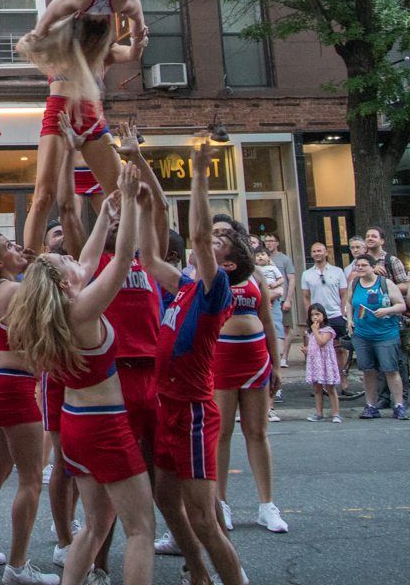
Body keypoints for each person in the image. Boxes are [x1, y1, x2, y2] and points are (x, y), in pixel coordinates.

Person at [11, 163, 153, 585]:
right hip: (104, 426)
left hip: (74, 427)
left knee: (93, 525)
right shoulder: (82, 309)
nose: (75, 258)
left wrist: (107, 216)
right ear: (64, 282)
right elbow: (123, 257)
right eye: (66, 259)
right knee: (141, 528)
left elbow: (90, 258)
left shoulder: (57, 311)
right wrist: (127, 202)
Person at [137, 143, 250, 585]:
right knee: (166, 501)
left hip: (193, 412)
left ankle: (234, 579)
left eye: (221, 240)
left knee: (204, 519)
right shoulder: (183, 284)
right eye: (214, 236)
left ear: (229, 261)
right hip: (167, 405)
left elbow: (199, 236)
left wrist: (199, 173)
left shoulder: (214, 287)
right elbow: (148, 258)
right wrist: (141, 184)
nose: (210, 239)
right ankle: (199, 573)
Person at [0, 233, 57, 584]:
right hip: (14, 385)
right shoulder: (13, 291)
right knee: (31, 478)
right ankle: (17, 567)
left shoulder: (5, 289)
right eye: (10, 248)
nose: (19, 249)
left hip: (0, 382)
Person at [18, 38, 142, 254]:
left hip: (91, 115)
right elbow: (23, 46)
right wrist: (34, 40)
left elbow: (132, 53)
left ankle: (132, 263)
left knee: (122, 198)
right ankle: (29, 269)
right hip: (61, 112)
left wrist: (139, 38)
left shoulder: (104, 49)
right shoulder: (59, 45)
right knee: (45, 197)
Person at [211, 222, 288, 535]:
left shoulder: (255, 273)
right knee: (222, 433)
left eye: (226, 233)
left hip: (255, 359)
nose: (220, 238)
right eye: (214, 234)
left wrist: (276, 364)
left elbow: (267, 319)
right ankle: (221, 502)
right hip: (220, 360)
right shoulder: (207, 272)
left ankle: (267, 505)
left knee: (258, 432)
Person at [345, 254, 408, 419]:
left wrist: (386, 310)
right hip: (362, 334)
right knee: (368, 371)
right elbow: (349, 303)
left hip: (385, 334)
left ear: (372, 267)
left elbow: (401, 305)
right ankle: (371, 405)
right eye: (357, 265)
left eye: (364, 265)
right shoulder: (355, 283)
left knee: (390, 369)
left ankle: (399, 405)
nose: (359, 268)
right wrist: (350, 320)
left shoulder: (385, 283)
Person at [364, 227, 410, 408]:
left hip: (392, 318)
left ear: (382, 241)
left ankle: (403, 396)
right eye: (367, 236)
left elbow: (406, 284)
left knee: (397, 359)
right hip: (369, 319)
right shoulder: (362, 261)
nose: (370, 239)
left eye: (374, 236)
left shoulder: (392, 261)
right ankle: (383, 397)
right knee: (376, 359)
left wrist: (386, 289)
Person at [301, 243, 349, 394]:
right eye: (314, 251)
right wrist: (309, 317)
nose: (317, 253)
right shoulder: (307, 274)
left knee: (339, 350)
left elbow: (344, 294)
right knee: (316, 349)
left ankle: (343, 383)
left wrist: (343, 313)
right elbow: (306, 297)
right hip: (317, 318)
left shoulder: (337, 271)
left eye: (319, 251)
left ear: (326, 252)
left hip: (335, 314)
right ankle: (320, 383)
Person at [261, 234, 299, 366]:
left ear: (277, 243)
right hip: (265, 300)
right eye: (266, 241)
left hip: (281, 298)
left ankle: (284, 357)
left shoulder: (284, 259)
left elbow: (291, 279)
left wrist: (288, 299)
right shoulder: (260, 259)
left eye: (271, 241)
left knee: (285, 327)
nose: (268, 243)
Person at [302, 304, 341, 422]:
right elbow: (312, 346)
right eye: (312, 315)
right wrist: (306, 350)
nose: (315, 317)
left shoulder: (328, 330)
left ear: (323, 315)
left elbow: (321, 342)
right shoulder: (309, 332)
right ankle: (319, 413)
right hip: (315, 362)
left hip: (325, 362)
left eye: (317, 314)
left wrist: (315, 330)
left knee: (330, 388)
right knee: (317, 389)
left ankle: (336, 414)